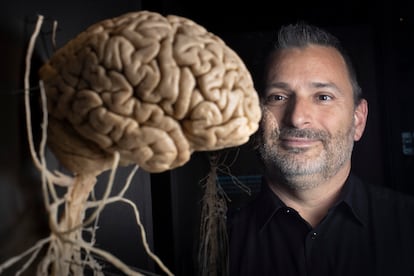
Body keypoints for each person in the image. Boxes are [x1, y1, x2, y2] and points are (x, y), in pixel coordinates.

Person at [227, 22, 414, 276]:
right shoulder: (214, 243)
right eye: (278, 97)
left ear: (358, 120)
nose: (296, 118)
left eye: (323, 97)